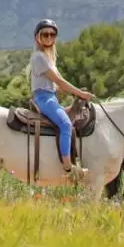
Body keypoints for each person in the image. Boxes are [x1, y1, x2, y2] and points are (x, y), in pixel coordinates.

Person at [28, 19, 94, 171]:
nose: (49, 37)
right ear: (38, 37)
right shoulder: (38, 57)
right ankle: (67, 166)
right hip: (44, 99)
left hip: (51, 98)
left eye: (52, 34)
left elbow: (59, 86)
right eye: (45, 34)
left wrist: (77, 96)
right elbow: (60, 81)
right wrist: (81, 93)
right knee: (65, 124)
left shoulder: (48, 58)